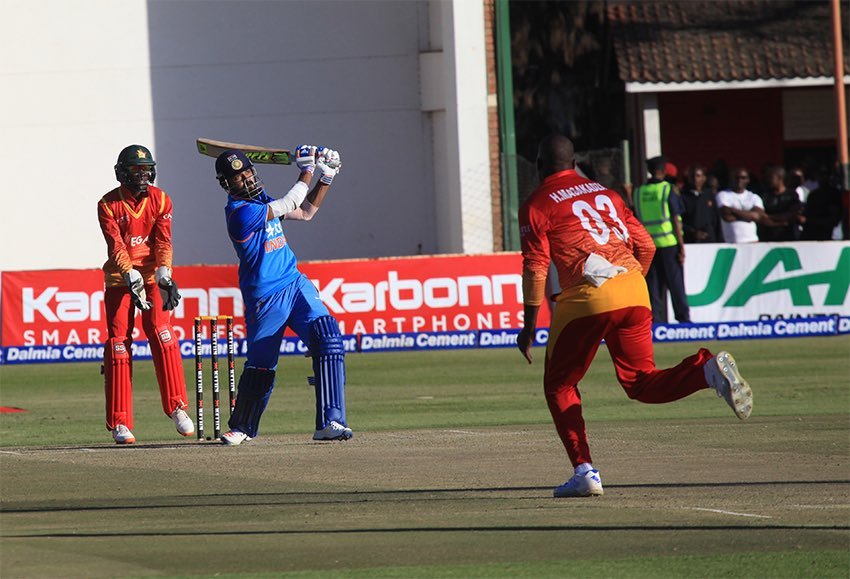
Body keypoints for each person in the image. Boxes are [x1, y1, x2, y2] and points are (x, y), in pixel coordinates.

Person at [516, 134, 753, 498]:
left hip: (586, 297)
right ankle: (705, 371)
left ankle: (584, 472)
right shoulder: (608, 194)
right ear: (575, 161)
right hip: (633, 288)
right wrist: (627, 286)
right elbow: (646, 244)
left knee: (559, 385)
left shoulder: (536, 203)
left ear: (537, 164)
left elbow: (535, 268)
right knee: (641, 382)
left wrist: (529, 327)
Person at [213, 145, 352, 445]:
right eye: (238, 177)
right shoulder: (240, 213)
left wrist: (327, 176)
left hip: (294, 282)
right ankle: (243, 427)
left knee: (328, 338)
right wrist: (307, 168)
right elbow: (291, 200)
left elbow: (305, 212)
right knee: (261, 366)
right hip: (265, 297)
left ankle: (331, 422)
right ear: (227, 183)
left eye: (248, 171)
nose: (247, 179)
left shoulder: (260, 199)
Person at [97, 144, 194, 444]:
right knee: (118, 345)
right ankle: (120, 423)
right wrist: (130, 275)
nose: (142, 175)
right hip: (119, 278)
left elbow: (163, 241)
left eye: (145, 169)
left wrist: (165, 272)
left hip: (152, 277)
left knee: (162, 333)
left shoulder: (161, 199)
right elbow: (116, 247)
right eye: (135, 170)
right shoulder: (108, 204)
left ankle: (177, 408)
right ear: (121, 174)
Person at [632, 156, 690, 323]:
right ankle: (683, 320)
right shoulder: (667, 189)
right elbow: (675, 218)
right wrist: (681, 245)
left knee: (653, 286)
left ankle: (656, 322)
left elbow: (636, 217)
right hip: (669, 243)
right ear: (664, 171)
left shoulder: (638, 192)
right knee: (676, 284)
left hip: (649, 246)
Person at [716, 168, 764, 243]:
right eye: (736, 177)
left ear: (748, 180)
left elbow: (758, 217)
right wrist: (749, 216)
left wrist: (733, 210)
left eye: (743, 178)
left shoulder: (754, 197)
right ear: (731, 179)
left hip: (753, 242)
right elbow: (726, 216)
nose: (739, 180)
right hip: (731, 243)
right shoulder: (722, 195)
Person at [757, 165, 802, 242]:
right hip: (767, 237)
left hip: (788, 236)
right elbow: (762, 217)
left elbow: (791, 215)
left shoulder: (792, 195)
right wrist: (780, 223)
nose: (768, 180)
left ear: (780, 178)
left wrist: (770, 216)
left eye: (771, 178)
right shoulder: (764, 195)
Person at [681, 165, 723, 243]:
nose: (695, 179)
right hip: (691, 241)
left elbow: (716, 219)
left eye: (698, 176)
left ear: (704, 178)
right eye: (692, 176)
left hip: (710, 239)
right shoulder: (682, 196)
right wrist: (692, 232)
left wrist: (720, 239)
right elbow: (680, 220)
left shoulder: (709, 195)